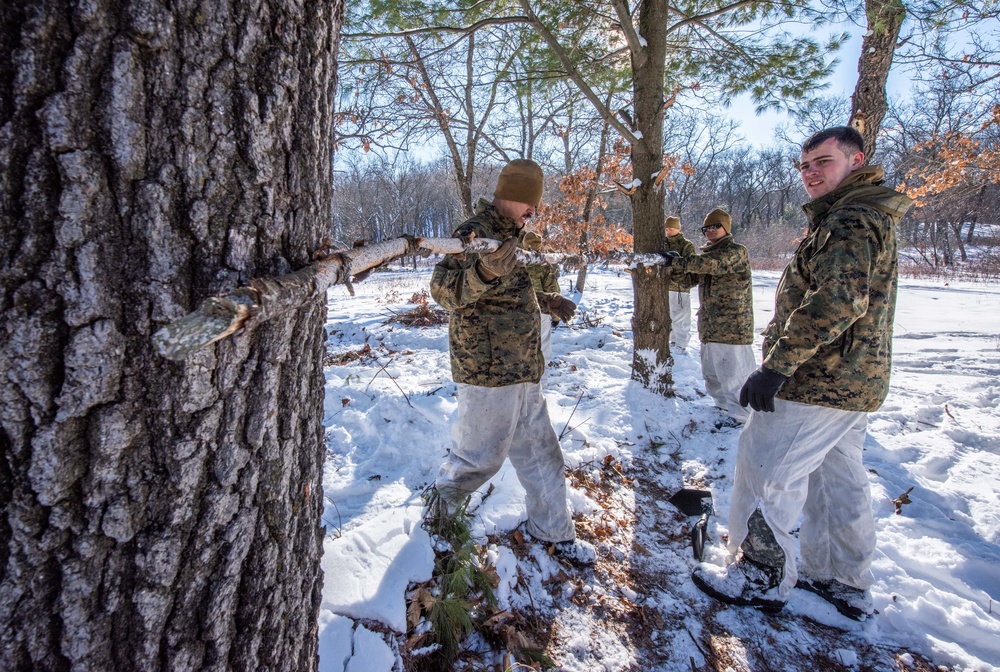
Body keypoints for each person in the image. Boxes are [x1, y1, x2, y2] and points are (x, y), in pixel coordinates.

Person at [691, 126, 914, 620]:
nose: (811, 173)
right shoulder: (859, 214)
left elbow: (836, 301)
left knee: (767, 469)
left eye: (824, 162)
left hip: (816, 379)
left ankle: (759, 574)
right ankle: (841, 579)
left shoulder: (851, 219)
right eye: (805, 165)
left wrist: (777, 366)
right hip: (853, 382)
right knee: (838, 481)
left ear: (857, 161)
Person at [429, 159, 595, 566]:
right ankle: (434, 527)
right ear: (513, 196)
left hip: (523, 369)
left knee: (542, 454)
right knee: (477, 461)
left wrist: (548, 301)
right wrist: (483, 272)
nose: (533, 213)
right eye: (529, 205)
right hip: (488, 372)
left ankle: (554, 531)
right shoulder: (475, 233)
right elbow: (443, 292)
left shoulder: (517, 236)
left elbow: (514, 295)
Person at [663, 208, 756, 425]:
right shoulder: (705, 256)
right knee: (712, 374)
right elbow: (688, 280)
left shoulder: (735, 252)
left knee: (734, 375)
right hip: (710, 325)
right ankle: (724, 408)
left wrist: (677, 261)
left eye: (715, 226)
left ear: (726, 228)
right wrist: (674, 269)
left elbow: (711, 264)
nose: (710, 231)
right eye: (707, 228)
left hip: (733, 327)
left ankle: (742, 416)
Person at [521, 230, 563, 365]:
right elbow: (553, 290)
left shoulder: (517, 261)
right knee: (543, 347)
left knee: (522, 348)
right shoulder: (544, 265)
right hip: (541, 311)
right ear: (539, 246)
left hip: (520, 311)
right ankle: (541, 382)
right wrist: (556, 317)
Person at [663, 215, 696, 350]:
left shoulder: (686, 245)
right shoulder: (663, 243)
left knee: (681, 317)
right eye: (666, 228)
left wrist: (677, 274)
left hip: (680, 287)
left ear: (677, 228)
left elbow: (690, 264)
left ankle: (681, 345)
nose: (668, 230)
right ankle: (673, 342)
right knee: (669, 316)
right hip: (665, 286)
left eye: (671, 228)